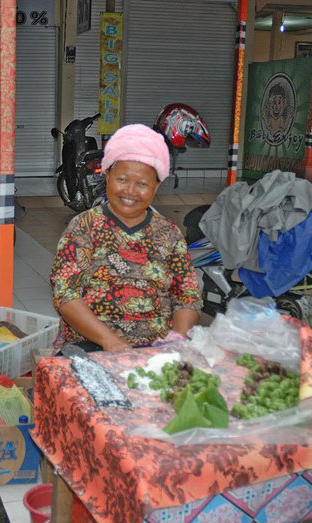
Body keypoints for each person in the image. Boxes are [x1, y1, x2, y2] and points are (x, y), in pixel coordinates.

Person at [50, 124, 202, 353]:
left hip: (155, 348)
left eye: (142, 184)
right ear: (107, 175)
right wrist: (110, 341)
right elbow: (65, 293)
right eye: (122, 179)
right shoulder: (84, 226)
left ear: (156, 186)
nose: (130, 191)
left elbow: (187, 295)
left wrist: (177, 341)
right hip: (92, 345)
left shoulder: (169, 233)